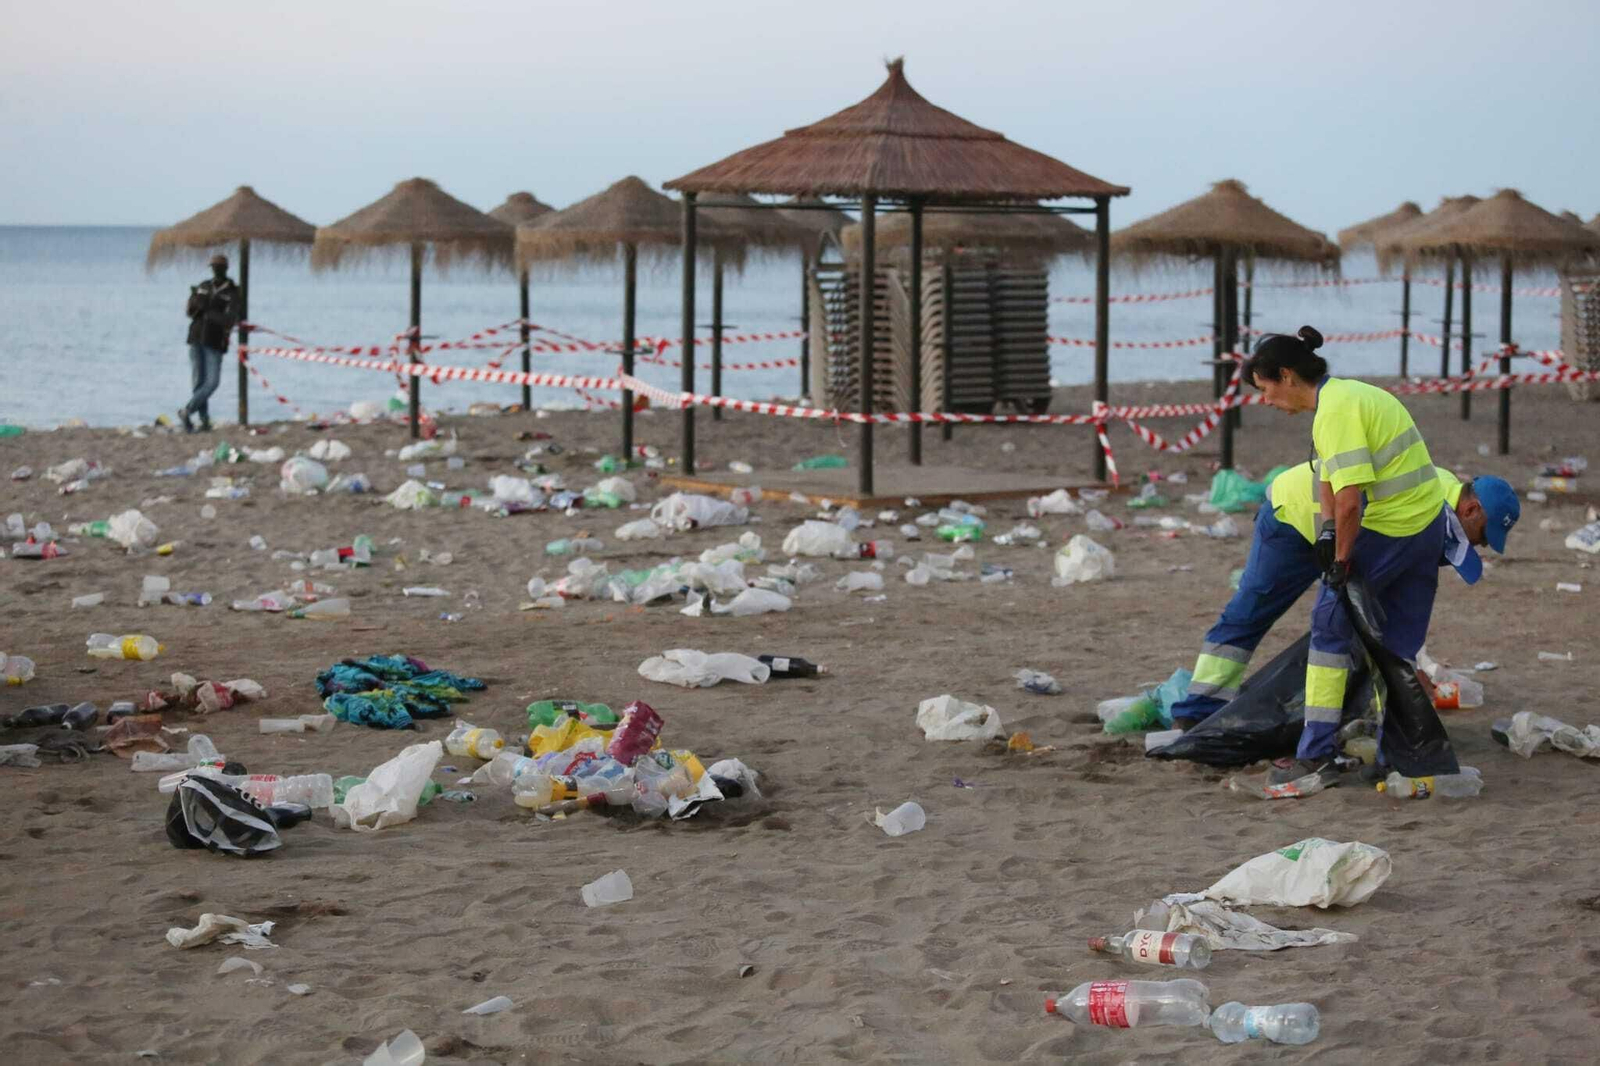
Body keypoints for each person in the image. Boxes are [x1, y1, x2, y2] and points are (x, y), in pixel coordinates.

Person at [1240, 326, 1457, 785]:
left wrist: (1340, 560)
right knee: (1398, 643)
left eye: (1265, 389)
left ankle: (1316, 752)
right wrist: (1325, 533)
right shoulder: (1344, 399)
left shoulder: (1336, 411)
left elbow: (1351, 499)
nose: (1265, 400)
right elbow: (1327, 479)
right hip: (1426, 527)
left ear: (1286, 375)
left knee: (1329, 626)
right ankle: (1401, 753)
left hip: (1393, 528)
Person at [1169, 460, 1520, 730]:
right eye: (1483, 535)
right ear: (1470, 510)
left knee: (1353, 625)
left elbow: (1393, 609)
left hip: (1345, 536)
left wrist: (1408, 671)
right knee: (1251, 613)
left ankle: (1332, 718)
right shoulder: (1427, 513)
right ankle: (1196, 711)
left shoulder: (1440, 510)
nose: (1480, 545)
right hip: (1296, 517)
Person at [180, 253, 240, 433]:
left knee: (212, 382)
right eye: (213, 267)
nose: (215, 270)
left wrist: (207, 312)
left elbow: (229, 320)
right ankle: (203, 419)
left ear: (225, 269)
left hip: (215, 341)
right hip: (196, 337)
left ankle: (187, 410)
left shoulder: (232, 292)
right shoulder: (203, 286)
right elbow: (190, 312)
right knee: (198, 381)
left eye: (219, 267)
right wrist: (194, 303)